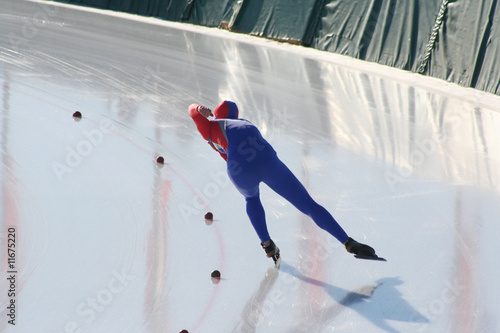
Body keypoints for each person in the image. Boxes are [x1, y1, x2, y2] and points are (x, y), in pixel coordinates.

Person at [189, 100, 382, 266]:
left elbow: (191, 111)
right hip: (266, 158)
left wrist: (198, 109)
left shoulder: (211, 129)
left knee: (251, 199)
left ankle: (267, 244)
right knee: (308, 204)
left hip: (238, 167)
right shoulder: (243, 122)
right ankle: (347, 241)